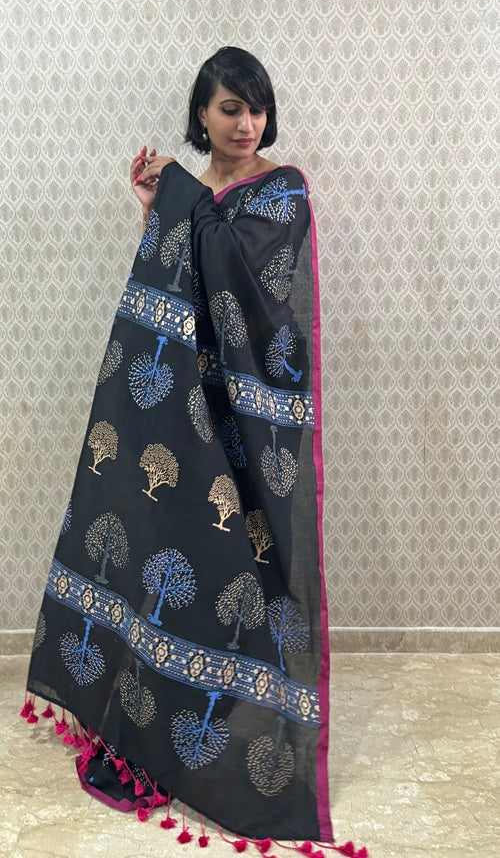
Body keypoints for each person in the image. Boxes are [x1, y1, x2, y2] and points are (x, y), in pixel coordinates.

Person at [21, 47, 368, 857]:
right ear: (201, 116)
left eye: (256, 109)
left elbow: (260, 300)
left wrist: (184, 203)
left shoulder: (281, 192)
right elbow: (176, 286)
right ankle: (145, 719)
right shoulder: (190, 194)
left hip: (243, 423)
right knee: (157, 552)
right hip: (174, 415)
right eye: (228, 109)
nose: (246, 124)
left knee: (234, 570)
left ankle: (225, 726)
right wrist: (158, 208)